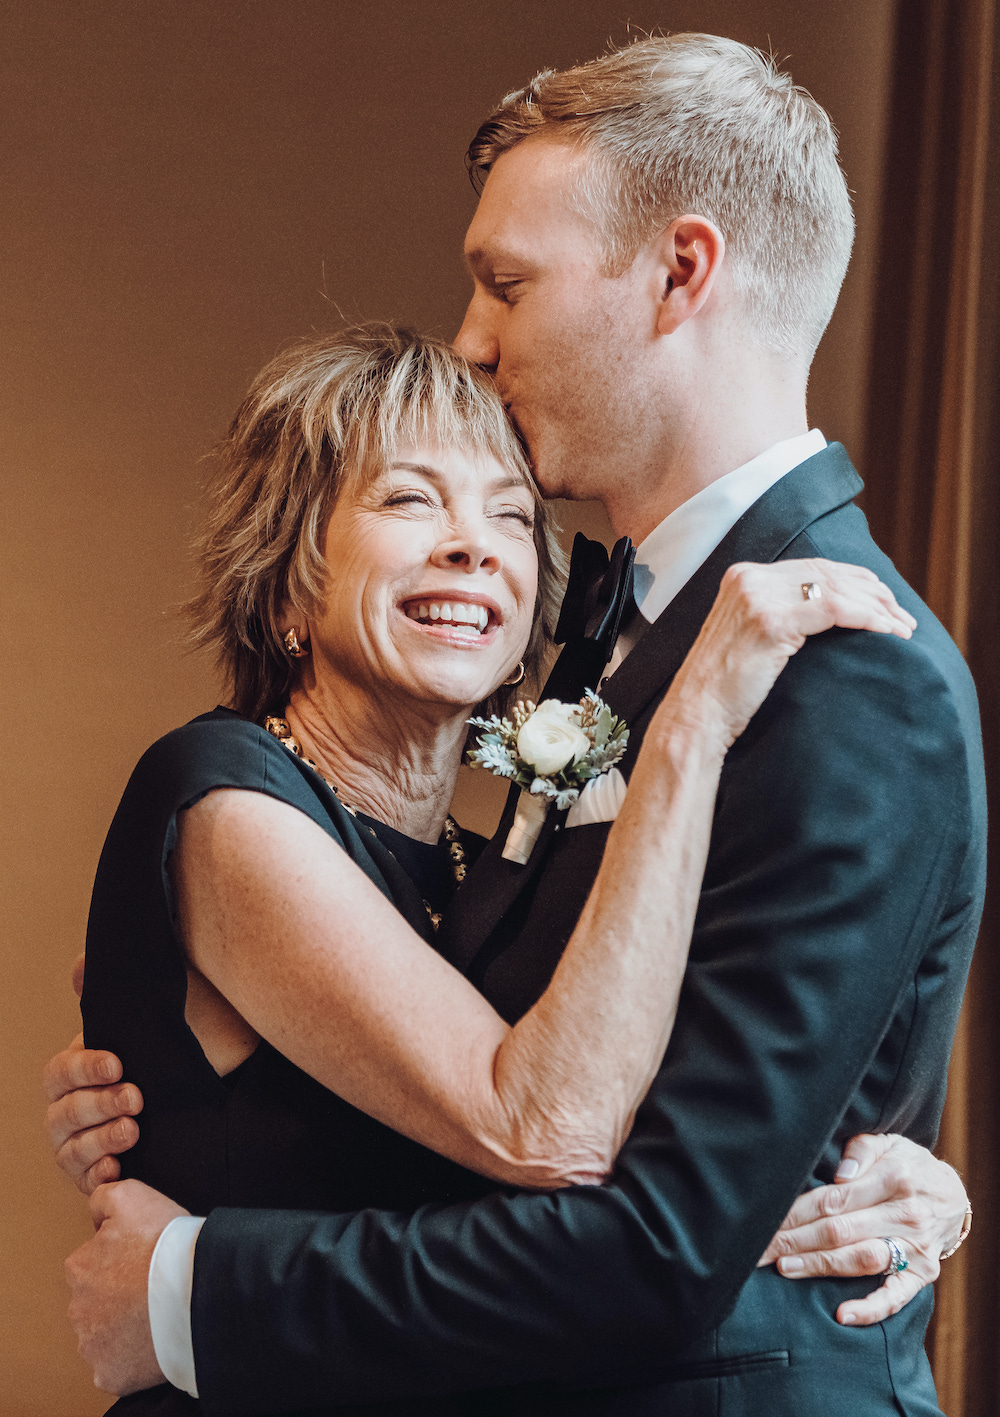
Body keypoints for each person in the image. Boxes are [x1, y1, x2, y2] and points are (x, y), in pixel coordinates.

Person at [52, 33, 981, 1417]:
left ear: (682, 273)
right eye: (411, 502)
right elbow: (534, 1101)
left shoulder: (843, 669)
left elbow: (660, 1220)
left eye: (505, 282)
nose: (476, 338)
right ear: (295, 568)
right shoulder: (625, 657)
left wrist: (187, 1287)